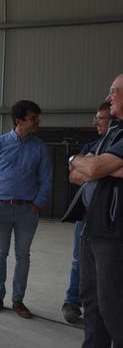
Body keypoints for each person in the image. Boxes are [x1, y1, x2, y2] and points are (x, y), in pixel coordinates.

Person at [49, 75, 123, 348]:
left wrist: (94, 167)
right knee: (91, 297)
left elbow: (92, 168)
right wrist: (85, 164)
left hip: (116, 229)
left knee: (115, 304)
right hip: (94, 225)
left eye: (114, 92)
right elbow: (81, 170)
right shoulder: (113, 132)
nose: (108, 98)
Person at [0, 100, 51, 318]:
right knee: (0, 253)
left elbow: (46, 180)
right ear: (19, 121)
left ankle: (18, 300)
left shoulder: (40, 147)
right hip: (0, 208)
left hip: (26, 211)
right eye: (33, 118)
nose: (37, 121)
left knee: (23, 255)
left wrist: (37, 204)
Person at [62, 102, 112, 324]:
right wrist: (99, 171)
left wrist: (91, 168)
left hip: (109, 218)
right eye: (96, 117)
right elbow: (73, 175)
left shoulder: (115, 146)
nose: (96, 122)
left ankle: (104, 308)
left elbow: (87, 170)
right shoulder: (91, 145)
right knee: (79, 261)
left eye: (101, 118)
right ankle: (72, 302)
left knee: (106, 264)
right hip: (86, 215)